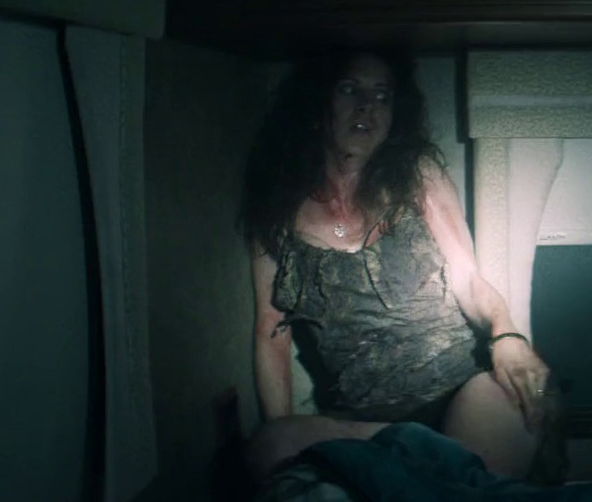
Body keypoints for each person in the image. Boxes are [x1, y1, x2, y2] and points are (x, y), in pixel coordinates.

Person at [237, 46, 559, 486]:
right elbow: (271, 333)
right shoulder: (275, 210)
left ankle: (412, 467)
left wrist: (507, 333)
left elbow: (468, 280)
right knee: (268, 447)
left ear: (394, 115)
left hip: (460, 396)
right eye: (349, 89)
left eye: (382, 95)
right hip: (365, 419)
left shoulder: (417, 176)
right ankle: (419, 462)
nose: (366, 106)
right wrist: (286, 431)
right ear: (319, 104)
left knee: (509, 401)